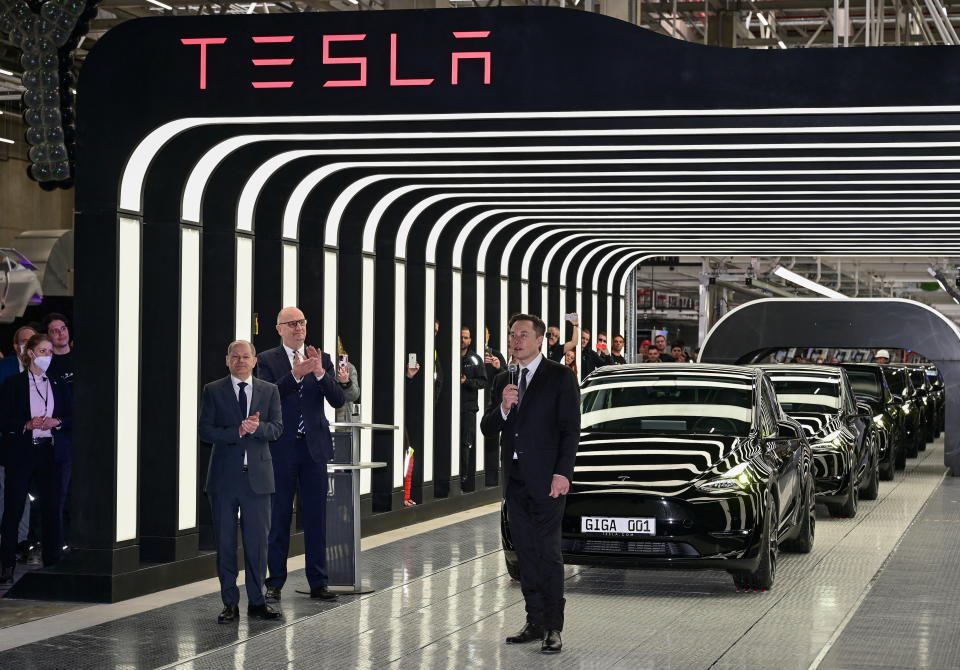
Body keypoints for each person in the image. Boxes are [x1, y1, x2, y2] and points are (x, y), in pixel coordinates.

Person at [481, 313, 579, 654]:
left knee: (548, 552)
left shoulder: (560, 377)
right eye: (512, 334)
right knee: (524, 554)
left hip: (548, 480)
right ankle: (534, 620)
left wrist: (562, 473)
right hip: (516, 481)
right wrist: (505, 409)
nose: (515, 340)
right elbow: (487, 427)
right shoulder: (503, 379)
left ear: (540, 340)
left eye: (523, 334)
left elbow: (570, 430)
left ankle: (553, 626)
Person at [258, 307, 344, 603]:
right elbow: (267, 397)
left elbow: (338, 398)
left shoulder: (322, 359)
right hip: (282, 448)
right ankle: (275, 582)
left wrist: (320, 372)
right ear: (279, 328)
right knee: (279, 516)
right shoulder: (268, 360)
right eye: (292, 324)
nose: (299, 328)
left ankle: (318, 581)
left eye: (302, 322)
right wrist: (295, 375)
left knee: (316, 517)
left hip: (314, 449)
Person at [199, 340, 283, 623]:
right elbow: (205, 431)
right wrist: (237, 431)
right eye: (235, 357)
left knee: (258, 544)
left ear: (255, 361)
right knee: (225, 544)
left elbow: (277, 429)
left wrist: (257, 427)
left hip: (258, 480)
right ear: (227, 360)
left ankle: (257, 602)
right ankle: (229, 603)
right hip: (224, 481)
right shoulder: (213, 390)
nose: (241, 361)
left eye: (246, 357)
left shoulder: (269, 391)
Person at [0, 333, 72, 583]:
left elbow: (73, 416)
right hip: (22, 452)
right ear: (30, 353)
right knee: (14, 507)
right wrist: (26, 424)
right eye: (43, 351)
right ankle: (6, 563)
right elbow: (3, 419)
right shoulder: (13, 383)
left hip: (50, 450)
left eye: (50, 352)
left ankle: (54, 561)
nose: (47, 357)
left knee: (53, 508)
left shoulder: (58, 383)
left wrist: (58, 422)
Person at [0, 325, 37, 556]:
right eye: (25, 341)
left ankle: (22, 540)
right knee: (7, 490)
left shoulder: (45, 368)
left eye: (33, 340)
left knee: (26, 493)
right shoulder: (4, 368)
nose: (29, 345)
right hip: (7, 438)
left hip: (38, 442)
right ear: (16, 346)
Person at [460, 327, 488, 492]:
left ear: (470, 340)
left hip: (468, 408)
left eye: (466, 337)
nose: (463, 340)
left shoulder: (475, 359)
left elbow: (483, 382)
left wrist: (467, 381)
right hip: (450, 409)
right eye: (461, 337)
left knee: (465, 443)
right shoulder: (450, 356)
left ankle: (464, 479)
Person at [333, 340, 360, 426]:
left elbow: (354, 395)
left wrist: (346, 383)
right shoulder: (316, 366)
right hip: (320, 421)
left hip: (342, 423)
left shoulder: (348, 367)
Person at [42, 314, 74, 385]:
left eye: (63, 328)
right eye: (55, 331)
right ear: (47, 336)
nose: (61, 333)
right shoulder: (45, 364)